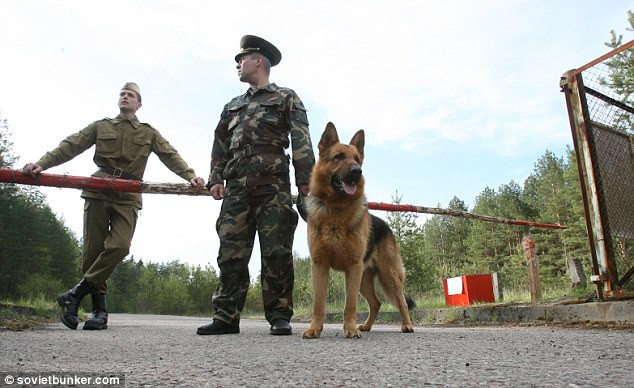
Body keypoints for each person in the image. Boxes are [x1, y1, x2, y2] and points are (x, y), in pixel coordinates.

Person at [23, 82, 205, 331]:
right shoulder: (102, 126)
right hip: (99, 189)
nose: (125, 97)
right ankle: (99, 312)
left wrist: (190, 175)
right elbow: (70, 145)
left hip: (129, 193)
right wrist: (42, 164)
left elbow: (170, 154)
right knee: (93, 251)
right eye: (122, 94)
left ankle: (73, 295)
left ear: (139, 104)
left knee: (119, 246)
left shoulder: (148, 132)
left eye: (131, 95)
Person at [197, 35, 315, 336]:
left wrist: (306, 183)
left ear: (258, 61)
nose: (238, 64)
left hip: (272, 186)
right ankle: (226, 316)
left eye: (242, 58)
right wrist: (215, 178)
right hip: (236, 188)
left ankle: (279, 315)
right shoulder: (232, 106)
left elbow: (301, 140)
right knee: (230, 252)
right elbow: (219, 145)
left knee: (276, 251)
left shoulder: (286, 97)